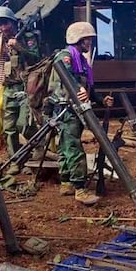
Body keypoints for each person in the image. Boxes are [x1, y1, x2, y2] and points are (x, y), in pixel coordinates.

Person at [44, 21, 113, 206]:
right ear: (77, 39)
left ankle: (66, 182)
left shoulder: (82, 61)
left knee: (67, 145)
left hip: (76, 110)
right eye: (87, 40)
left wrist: (100, 99)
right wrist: (77, 89)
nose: (89, 43)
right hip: (65, 110)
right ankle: (80, 189)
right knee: (73, 148)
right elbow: (68, 78)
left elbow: (87, 86)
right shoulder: (65, 57)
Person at [0, 6, 41, 174]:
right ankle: (15, 161)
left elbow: (37, 59)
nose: (2, 28)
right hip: (8, 88)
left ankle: (39, 147)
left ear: (13, 23)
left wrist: (19, 47)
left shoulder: (28, 37)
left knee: (24, 124)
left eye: (5, 23)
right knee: (9, 128)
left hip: (25, 87)